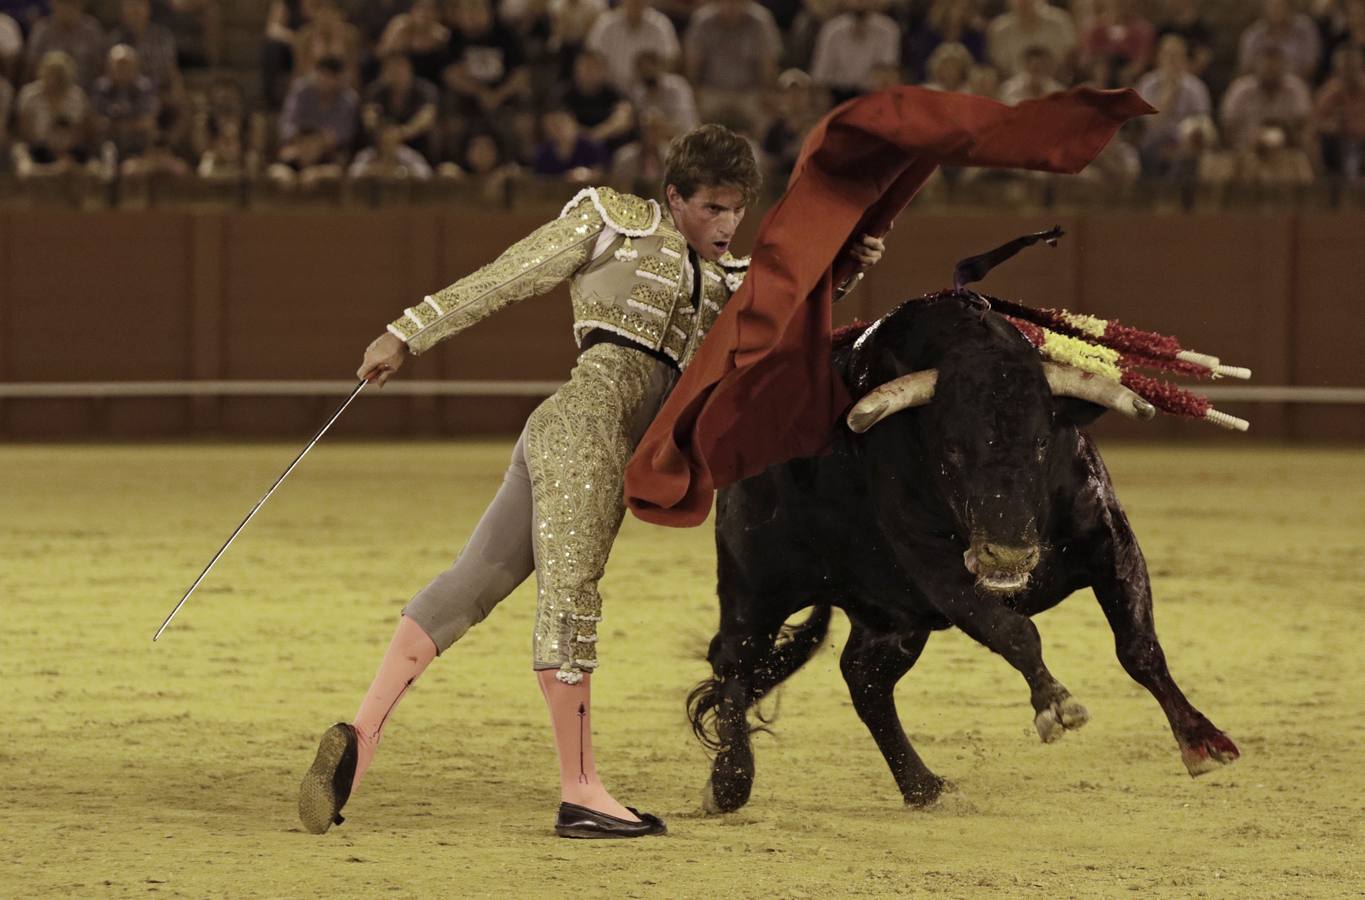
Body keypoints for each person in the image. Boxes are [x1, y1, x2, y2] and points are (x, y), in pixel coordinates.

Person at [297, 123, 886, 839]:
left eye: (736, 210)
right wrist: (407, 332)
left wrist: (848, 264)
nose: (726, 225)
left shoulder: (736, 282)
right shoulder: (612, 221)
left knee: (472, 583)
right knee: (570, 604)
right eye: (710, 208)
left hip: (573, 437)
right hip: (585, 433)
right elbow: (509, 275)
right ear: (674, 197)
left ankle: (359, 740)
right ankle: (580, 793)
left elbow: (789, 326)